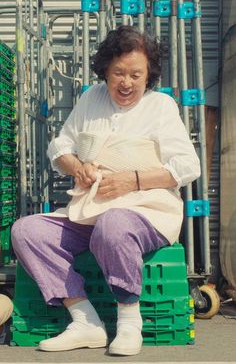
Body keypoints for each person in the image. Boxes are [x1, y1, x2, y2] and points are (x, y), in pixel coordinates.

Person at [11, 25, 200, 356]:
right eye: (118, 73)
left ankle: (129, 321)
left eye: (135, 75)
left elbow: (188, 166)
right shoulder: (90, 99)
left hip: (145, 214)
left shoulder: (161, 106)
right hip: (90, 209)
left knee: (113, 223)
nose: (126, 83)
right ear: (106, 71)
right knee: (27, 231)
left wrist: (133, 180)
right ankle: (85, 320)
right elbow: (60, 146)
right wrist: (76, 166)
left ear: (148, 75)